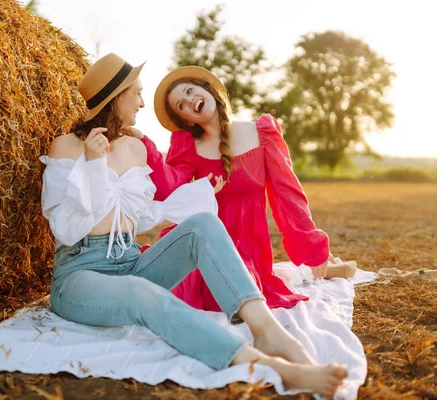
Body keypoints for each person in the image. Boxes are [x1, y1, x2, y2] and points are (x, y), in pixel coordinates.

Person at [39, 53, 347, 398]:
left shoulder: (135, 149)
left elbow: (141, 218)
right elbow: (66, 229)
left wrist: (199, 196)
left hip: (129, 261)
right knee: (144, 294)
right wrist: (94, 165)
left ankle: (267, 329)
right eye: (137, 93)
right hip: (80, 274)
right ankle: (266, 366)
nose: (142, 102)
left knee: (202, 222)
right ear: (117, 96)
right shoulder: (66, 147)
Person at [127, 66, 350, 312]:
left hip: (247, 245)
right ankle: (315, 271)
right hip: (201, 239)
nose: (189, 100)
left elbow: (288, 194)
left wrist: (311, 246)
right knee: (173, 289)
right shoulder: (189, 146)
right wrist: (145, 143)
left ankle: (323, 270)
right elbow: (169, 189)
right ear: (187, 120)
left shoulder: (261, 131)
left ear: (209, 91)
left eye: (190, 91)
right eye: (181, 105)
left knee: (228, 292)